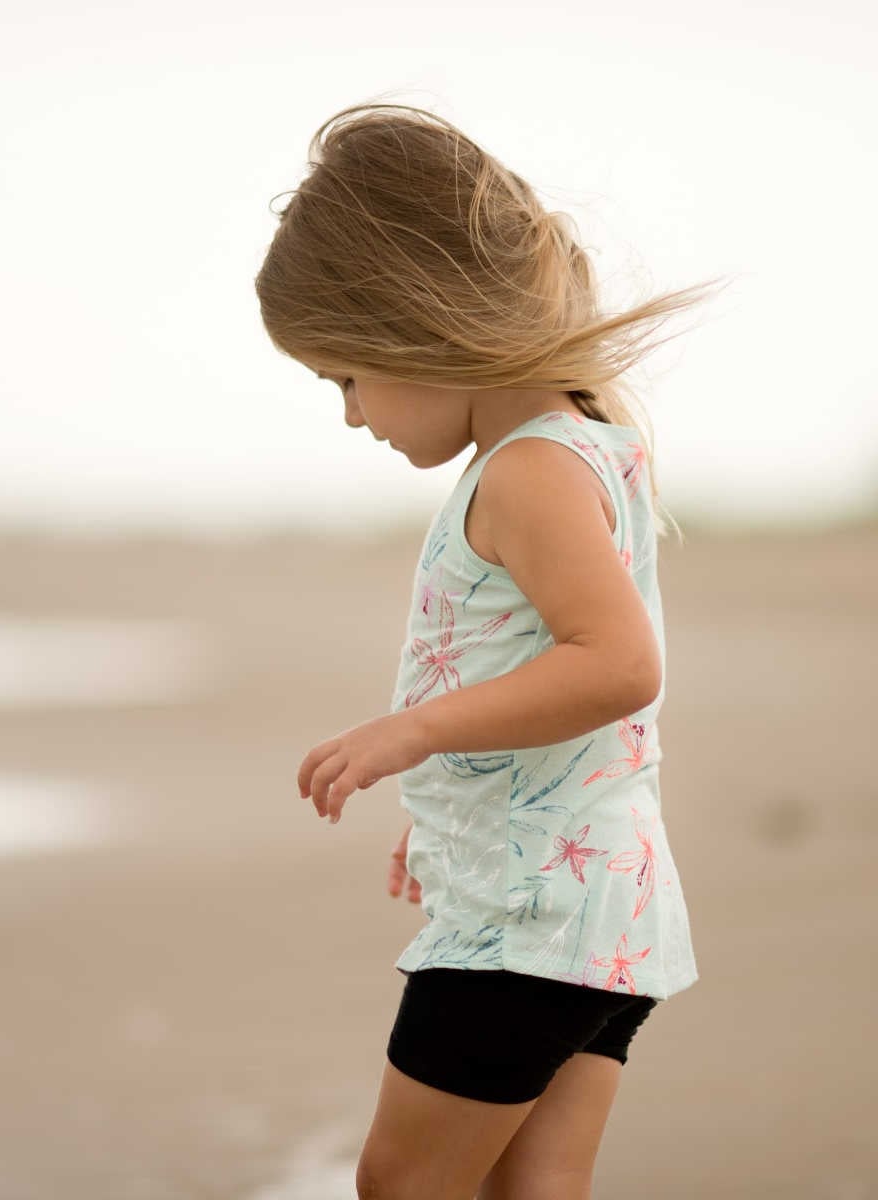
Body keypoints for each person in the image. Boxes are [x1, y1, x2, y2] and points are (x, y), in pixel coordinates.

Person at [254, 101, 730, 1200]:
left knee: (403, 1184)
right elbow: (535, 678)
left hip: (533, 923)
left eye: (346, 377)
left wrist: (413, 732)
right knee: (534, 1188)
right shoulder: (582, 444)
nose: (351, 414)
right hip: (591, 909)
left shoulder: (527, 470)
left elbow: (615, 665)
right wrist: (454, 818)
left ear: (414, 326)